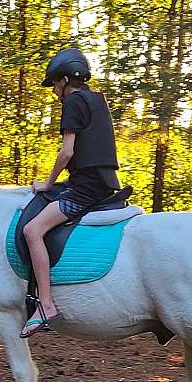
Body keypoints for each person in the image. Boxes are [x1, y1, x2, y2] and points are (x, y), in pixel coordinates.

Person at [20, 46, 121, 339]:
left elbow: (67, 152)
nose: (54, 90)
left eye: (54, 83)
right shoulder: (97, 100)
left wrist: (48, 183)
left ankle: (46, 305)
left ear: (64, 80)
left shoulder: (73, 102)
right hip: (102, 182)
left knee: (32, 230)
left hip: (85, 189)